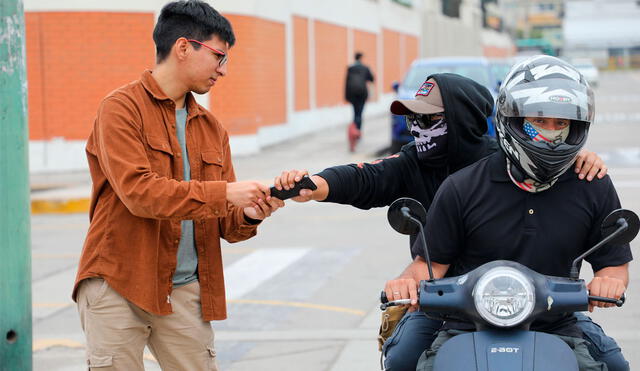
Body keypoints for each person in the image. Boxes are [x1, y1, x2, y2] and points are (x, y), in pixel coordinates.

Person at [274, 72, 618, 371]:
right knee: (403, 358)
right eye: (414, 119)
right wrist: (315, 185)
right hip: (449, 305)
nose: (416, 128)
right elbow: (366, 179)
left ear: (462, 119)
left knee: (613, 364)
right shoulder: (419, 165)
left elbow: (546, 150)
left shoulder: (512, 161)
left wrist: (573, 157)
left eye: (429, 119)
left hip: (542, 307)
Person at [384, 55, 632, 371]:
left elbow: (614, 266)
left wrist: (608, 282)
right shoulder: (462, 186)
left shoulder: (592, 184)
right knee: (402, 361)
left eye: (561, 124)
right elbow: (428, 267)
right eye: (539, 122)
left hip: (555, 323)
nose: (551, 134)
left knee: (617, 367)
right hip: (463, 322)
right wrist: (404, 283)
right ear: (512, 120)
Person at [72, 1, 283, 369]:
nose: (223, 70)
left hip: (185, 290)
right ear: (183, 47)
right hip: (118, 284)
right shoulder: (120, 109)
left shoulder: (212, 129)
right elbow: (141, 193)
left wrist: (250, 213)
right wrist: (225, 193)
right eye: (219, 56)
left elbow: (226, 225)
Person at [345, 52, 375, 152]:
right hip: (362, 93)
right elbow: (372, 79)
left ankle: (354, 132)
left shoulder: (350, 68)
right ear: (361, 58)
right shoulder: (365, 68)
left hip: (352, 94)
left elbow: (346, 83)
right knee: (360, 114)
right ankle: (357, 133)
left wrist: (346, 97)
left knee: (355, 113)